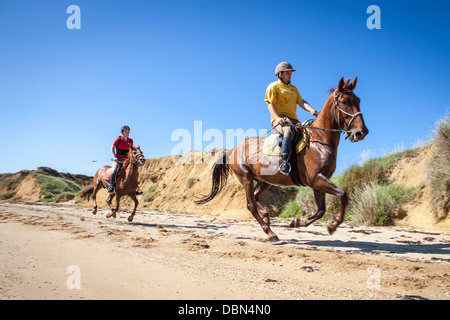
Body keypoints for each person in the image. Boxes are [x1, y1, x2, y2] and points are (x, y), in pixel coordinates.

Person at [265, 62, 319, 175]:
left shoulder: (293, 88)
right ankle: (284, 163)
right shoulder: (273, 87)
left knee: (309, 132)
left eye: (290, 73)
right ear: (280, 74)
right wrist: (277, 118)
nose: (290, 75)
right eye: (287, 73)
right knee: (288, 130)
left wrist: (311, 110)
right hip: (279, 120)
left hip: (294, 120)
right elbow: (270, 104)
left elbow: (301, 102)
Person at [107, 125, 134, 193]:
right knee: (115, 170)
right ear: (122, 132)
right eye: (126, 131)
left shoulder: (130, 141)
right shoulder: (118, 139)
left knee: (132, 171)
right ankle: (111, 186)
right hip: (118, 159)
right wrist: (114, 157)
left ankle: (134, 187)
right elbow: (112, 148)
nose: (127, 133)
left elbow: (131, 150)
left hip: (127, 160)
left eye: (128, 131)